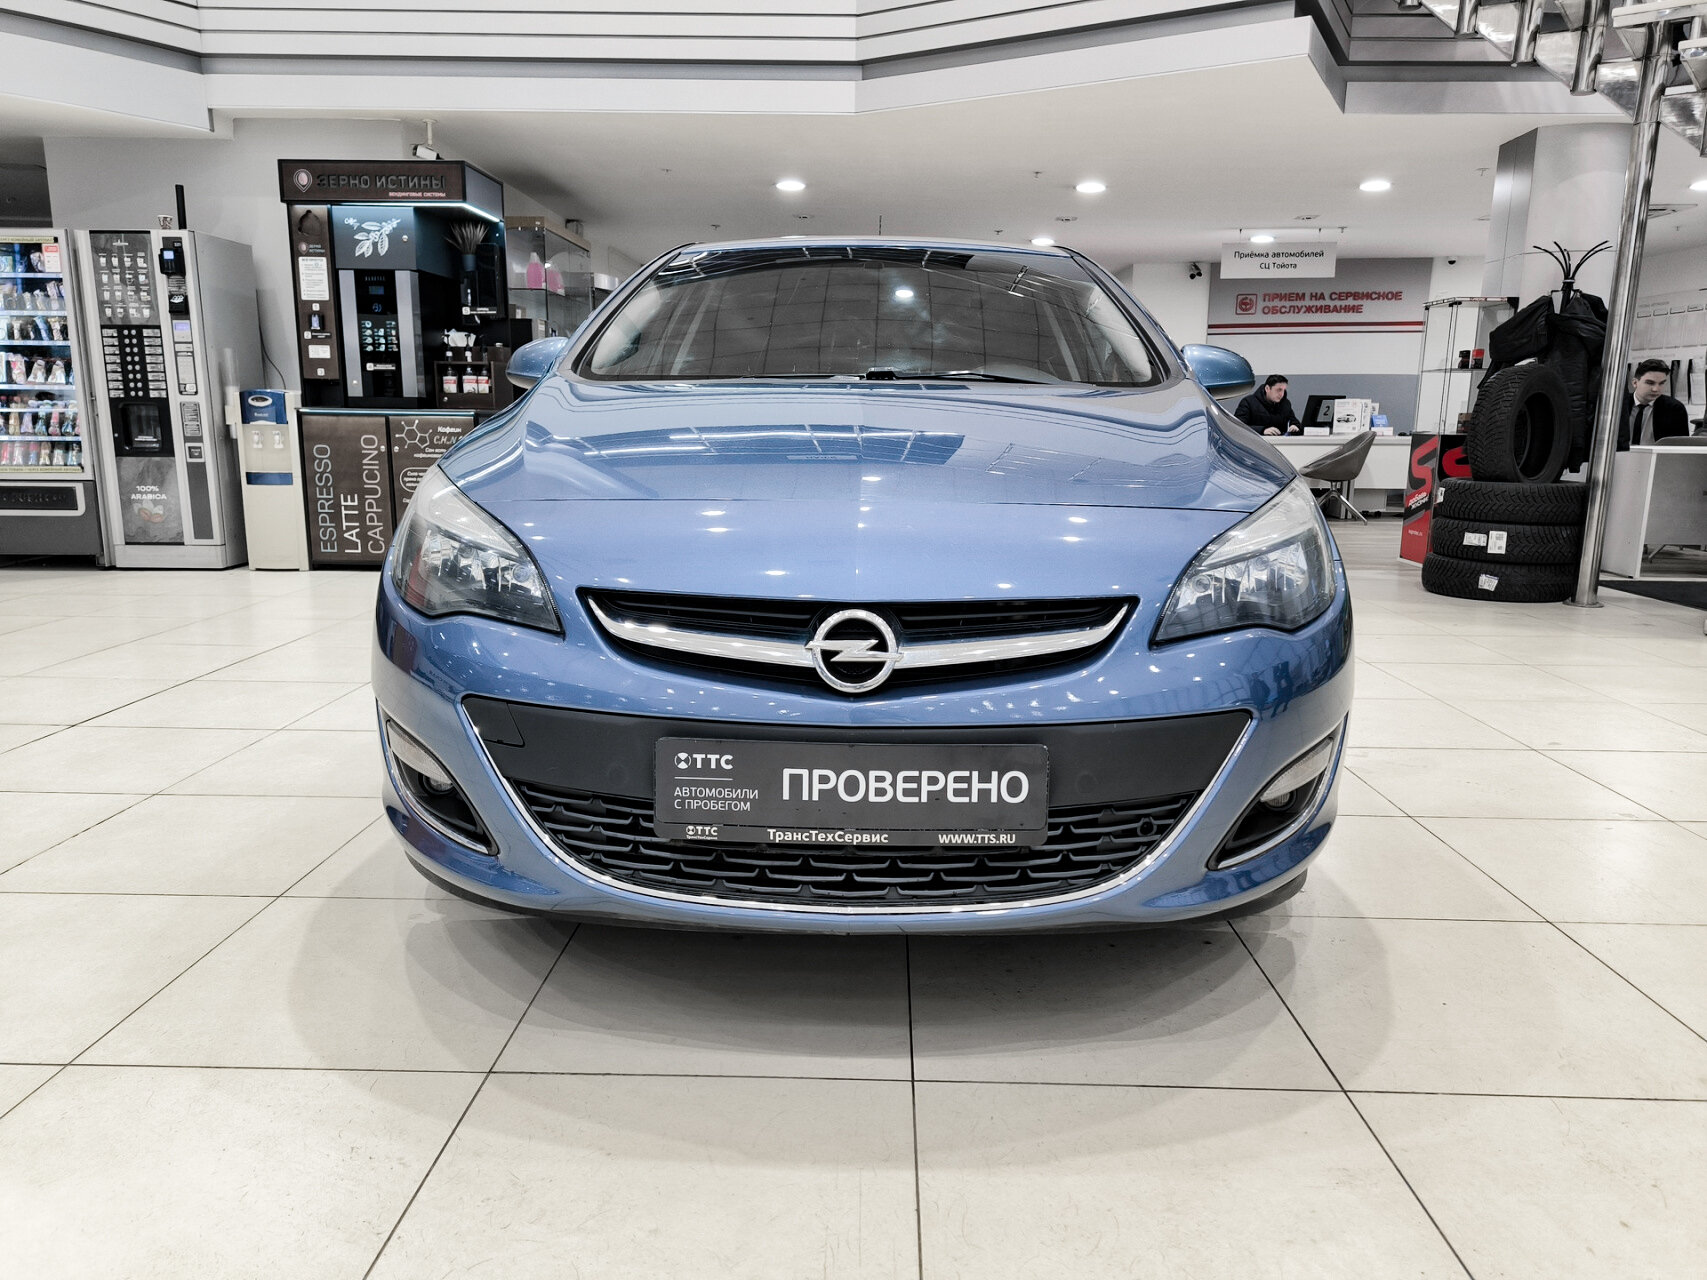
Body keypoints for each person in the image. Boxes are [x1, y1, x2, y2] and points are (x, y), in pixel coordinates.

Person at [1617, 358, 1689, 449]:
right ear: (1635, 383)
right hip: (1619, 455)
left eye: (1661, 383)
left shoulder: (1674, 409)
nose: (1656, 389)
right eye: (1650, 383)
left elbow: (1680, 448)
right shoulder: (1619, 405)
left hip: (1657, 456)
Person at [1234, 375, 1302, 436]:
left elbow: (1294, 421)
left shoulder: (1285, 404)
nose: (1282, 394)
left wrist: (1295, 426)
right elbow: (1237, 426)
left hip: (1280, 443)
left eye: (1284, 390)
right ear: (1267, 388)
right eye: (1279, 390)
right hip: (1255, 442)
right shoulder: (1248, 402)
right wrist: (1262, 430)